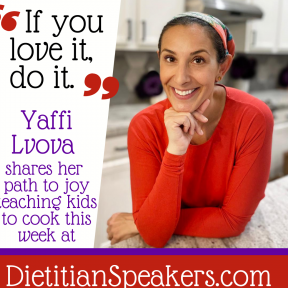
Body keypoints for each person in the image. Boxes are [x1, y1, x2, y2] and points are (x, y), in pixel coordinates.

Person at [106, 12, 274, 248]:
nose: (181, 78)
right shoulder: (144, 126)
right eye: (170, 59)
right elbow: (155, 236)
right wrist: (175, 149)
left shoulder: (253, 117)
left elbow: (233, 221)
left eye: (198, 60)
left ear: (222, 67)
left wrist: (141, 221)